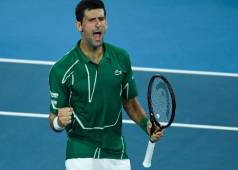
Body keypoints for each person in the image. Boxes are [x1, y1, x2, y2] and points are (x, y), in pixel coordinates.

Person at [48, 0, 163, 169]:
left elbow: (129, 103)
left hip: (115, 150)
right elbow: (53, 119)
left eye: (101, 19)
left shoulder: (121, 58)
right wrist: (59, 121)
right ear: (79, 25)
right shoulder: (62, 69)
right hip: (80, 151)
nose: (98, 24)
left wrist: (147, 125)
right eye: (91, 20)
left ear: (106, 23)